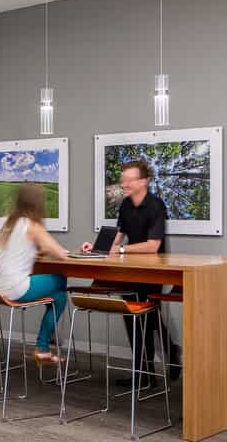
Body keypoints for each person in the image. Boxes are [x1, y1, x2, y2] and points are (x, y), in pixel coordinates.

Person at [80, 159, 181, 381]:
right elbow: (118, 235)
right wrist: (98, 248)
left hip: (154, 270)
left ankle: (152, 367)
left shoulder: (156, 206)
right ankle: (147, 371)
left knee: (146, 316)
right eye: (122, 179)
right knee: (134, 315)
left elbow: (153, 245)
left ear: (144, 181)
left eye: (129, 179)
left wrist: (122, 249)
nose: (124, 184)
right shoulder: (126, 205)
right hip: (130, 269)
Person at [0, 183, 73, 363]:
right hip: (15, 289)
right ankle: (43, 344)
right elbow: (59, 254)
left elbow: (12, 250)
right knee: (60, 282)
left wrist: (35, 252)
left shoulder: (5, 222)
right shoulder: (33, 226)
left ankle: (47, 340)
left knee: (58, 296)